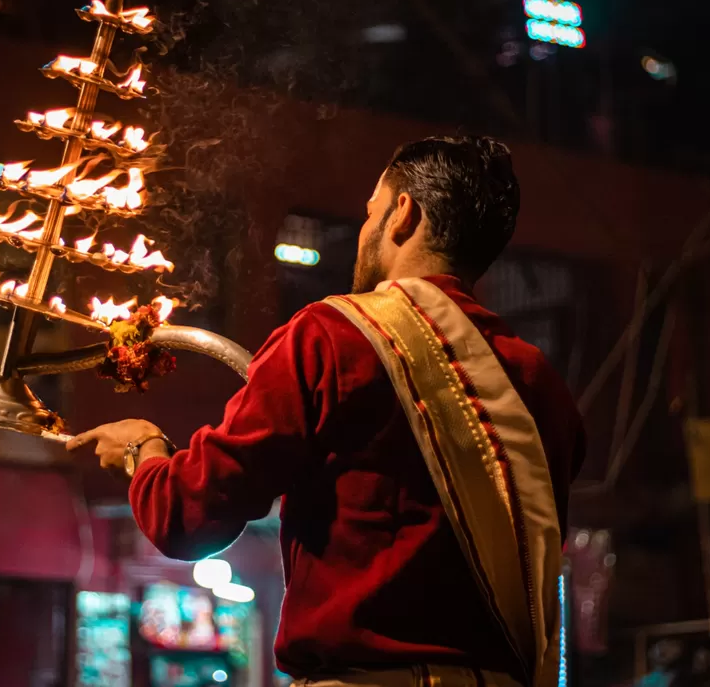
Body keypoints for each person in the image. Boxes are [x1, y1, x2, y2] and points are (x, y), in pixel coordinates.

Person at [68, 136, 587, 687]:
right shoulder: (540, 384)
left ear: (402, 214)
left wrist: (142, 450)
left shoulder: (332, 335)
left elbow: (189, 516)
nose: (364, 232)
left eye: (370, 213)